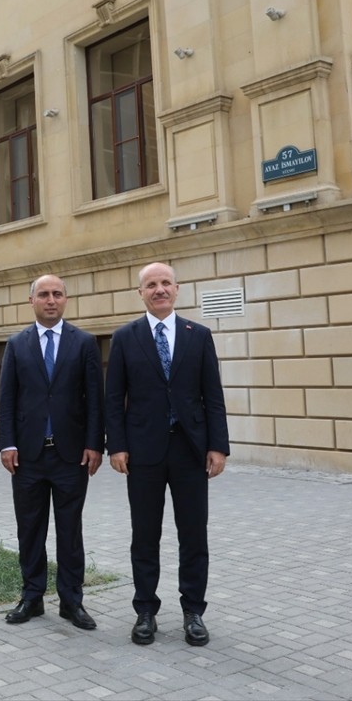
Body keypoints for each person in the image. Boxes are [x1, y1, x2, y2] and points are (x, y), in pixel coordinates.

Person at [105, 262, 229, 647]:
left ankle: (193, 611)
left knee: (194, 534)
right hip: (143, 452)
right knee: (145, 534)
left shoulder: (199, 335)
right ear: (140, 293)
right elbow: (114, 397)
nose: (159, 290)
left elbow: (213, 395)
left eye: (165, 284)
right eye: (150, 285)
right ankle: (146, 611)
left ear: (177, 289)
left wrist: (218, 446)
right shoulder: (125, 337)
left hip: (191, 450)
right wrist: (118, 446)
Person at [0, 274, 104, 629]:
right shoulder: (16, 344)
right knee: (30, 529)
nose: (51, 300)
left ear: (66, 299)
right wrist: (7, 443)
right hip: (26, 457)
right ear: (32, 301)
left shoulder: (85, 343)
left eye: (57, 294)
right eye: (44, 294)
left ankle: (72, 602)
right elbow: (7, 399)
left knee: (70, 531)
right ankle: (32, 597)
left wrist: (95, 444)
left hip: (71, 456)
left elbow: (95, 400)